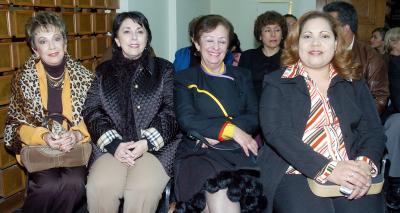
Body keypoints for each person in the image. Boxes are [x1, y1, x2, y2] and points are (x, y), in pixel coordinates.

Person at [258, 11, 386, 213]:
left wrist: (363, 165)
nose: (315, 43)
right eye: (307, 36)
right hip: (294, 170)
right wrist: (328, 169)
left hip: (350, 167)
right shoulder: (277, 82)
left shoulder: (354, 83)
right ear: (296, 43)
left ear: (336, 43)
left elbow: (373, 130)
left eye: (324, 36)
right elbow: (278, 134)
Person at [82, 11, 180, 213]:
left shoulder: (165, 69)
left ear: (147, 37)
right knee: (99, 187)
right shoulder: (103, 72)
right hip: (112, 148)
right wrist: (115, 144)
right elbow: (92, 110)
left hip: (156, 149)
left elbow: (172, 111)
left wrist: (147, 143)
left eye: (140, 31)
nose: (134, 37)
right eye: (127, 32)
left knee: (140, 190)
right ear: (117, 40)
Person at [174, 14, 265, 212]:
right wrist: (231, 130)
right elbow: (187, 119)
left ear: (229, 45)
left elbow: (254, 116)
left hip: (236, 151)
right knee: (216, 195)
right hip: (198, 151)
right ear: (197, 44)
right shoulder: (184, 78)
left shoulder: (242, 76)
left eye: (222, 41)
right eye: (209, 40)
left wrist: (221, 132)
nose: (216, 47)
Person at [4, 11, 93, 213]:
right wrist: (43, 136)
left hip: (73, 148)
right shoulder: (23, 80)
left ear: (65, 44)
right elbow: (14, 126)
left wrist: (77, 134)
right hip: (41, 149)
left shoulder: (86, 78)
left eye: (56, 39)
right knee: (48, 186)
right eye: (43, 41)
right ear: (35, 49)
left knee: (74, 184)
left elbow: (95, 117)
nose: (52, 46)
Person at [323, 1, 389, 115]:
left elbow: (379, 98)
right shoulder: (320, 50)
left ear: (345, 28)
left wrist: (355, 124)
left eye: (329, 25)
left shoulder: (370, 57)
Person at [238, 11, 287, 99]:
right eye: (268, 30)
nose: (273, 34)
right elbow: (240, 88)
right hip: (252, 109)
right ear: (260, 35)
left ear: (282, 35)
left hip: (281, 109)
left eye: (277, 30)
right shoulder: (247, 56)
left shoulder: (290, 57)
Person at [383, 27, 400, 210]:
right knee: (398, 124)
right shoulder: (386, 63)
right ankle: (395, 183)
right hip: (390, 113)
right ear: (394, 41)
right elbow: (396, 96)